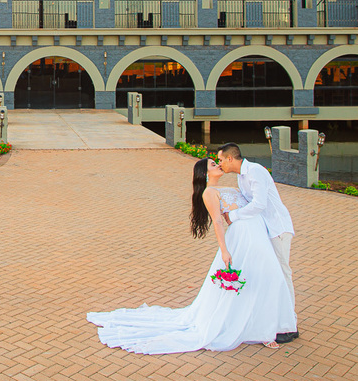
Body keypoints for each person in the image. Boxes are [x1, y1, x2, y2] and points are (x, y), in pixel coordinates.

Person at [87, 157, 296, 353]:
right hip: (241, 240)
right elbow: (217, 221)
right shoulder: (209, 193)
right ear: (206, 175)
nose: (218, 165)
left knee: (264, 279)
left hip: (256, 236)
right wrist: (224, 250)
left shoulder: (234, 186)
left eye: (217, 162)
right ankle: (259, 328)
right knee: (254, 281)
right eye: (213, 165)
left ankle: (270, 324)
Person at [215, 142, 299, 344]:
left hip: (277, 228)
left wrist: (232, 216)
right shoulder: (241, 176)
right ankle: (276, 319)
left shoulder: (255, 172)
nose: (220, 164)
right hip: (264, 230)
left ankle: (289, 324)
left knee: (282, 272)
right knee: (271, 274)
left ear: (230, 158)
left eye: (220, 160)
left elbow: (259, 204)